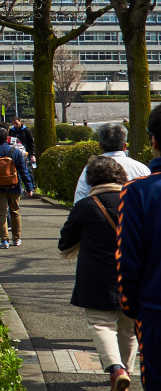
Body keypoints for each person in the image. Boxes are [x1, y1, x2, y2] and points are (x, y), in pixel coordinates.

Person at [59, 156, 135, 391]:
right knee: (129, 327)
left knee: (101, 323)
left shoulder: (85, 206)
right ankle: (127, 372)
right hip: (134, 274)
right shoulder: (136, 201)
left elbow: (65, 242)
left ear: (91, 180)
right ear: (121, 177)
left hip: (97, 276)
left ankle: (116, 369)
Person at [119, 107, 161, 391]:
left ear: (153, 140)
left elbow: (128, 261)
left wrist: (132, 307)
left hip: (155, 312)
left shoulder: (138, 191)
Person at [0, 126, 35, 248]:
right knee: (15, 212)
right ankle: (16, 238)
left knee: (1, 213)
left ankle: (4, 240)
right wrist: (29, 187)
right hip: (14, 186)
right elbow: (23, 170)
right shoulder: (15, 152)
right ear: (7, 138)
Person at [73, 123, 151, 203]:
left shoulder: (90, 169)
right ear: (125, 146)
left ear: (100, 145)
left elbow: (80, 199)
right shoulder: (141, 169)